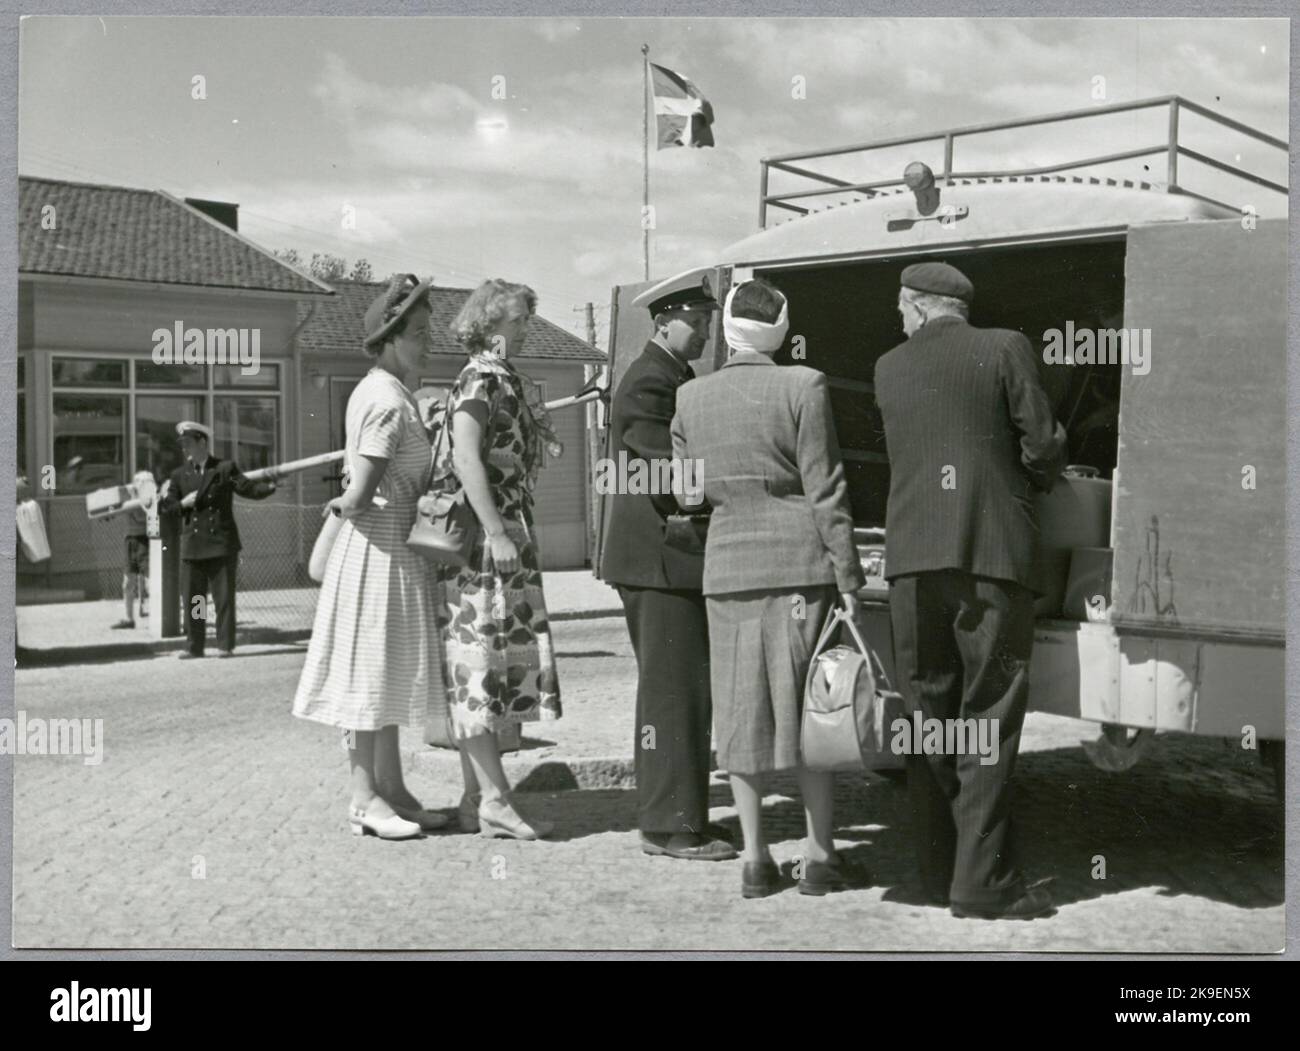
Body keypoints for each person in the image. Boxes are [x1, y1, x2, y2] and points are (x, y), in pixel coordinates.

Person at [874, 261, 1067, 920]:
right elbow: (1039, 442)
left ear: (918, 305)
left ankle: (939, 871)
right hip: (989, 556)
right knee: (987, 714)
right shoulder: (1005, 346)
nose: (899, 318)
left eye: (902, 307)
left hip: (912, 562)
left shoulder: (888, 367)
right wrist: (1049, 466)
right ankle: (982, 882)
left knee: (927, 714)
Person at [672, 277, 867, 898]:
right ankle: (818, 856)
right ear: (781, 330)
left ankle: (756, 860)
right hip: (800, 572)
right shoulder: (803, 385)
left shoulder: (690, 398)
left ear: (726, 326)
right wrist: (850, 572)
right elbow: (825, 487)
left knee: (740, 714)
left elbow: (687, 493)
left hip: (727, 573)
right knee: (813, 710)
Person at [293, 274, 448, 839]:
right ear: (388, 338)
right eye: (419, 333)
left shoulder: (390, 392)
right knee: (368, 677)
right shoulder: (384, 398)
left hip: (392, 553)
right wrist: (350, 502)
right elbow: (361, 490)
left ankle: (394, 791)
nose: (428, 342)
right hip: (376, 552)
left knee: (388, 676)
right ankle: (363, 799)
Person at [600, 274, 737, 863]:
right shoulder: (650, 384)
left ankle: (679, 818)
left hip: (667, 560)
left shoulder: (670, 377)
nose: (707, 332)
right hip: (659, 561)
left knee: (683, 690)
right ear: (664, 322)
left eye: (709, 321)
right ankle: (671, 827)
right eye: (697, 321)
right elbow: (667, 474)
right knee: (673, 694)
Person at [433, 278, 562, 840]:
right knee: (481, 668)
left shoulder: (499, 380)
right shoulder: (480, 379)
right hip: (486, 546)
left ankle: (475, 797)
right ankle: (494, 797)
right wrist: (496, 531)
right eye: (517, 322)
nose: (524, 330)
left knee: (482, 667)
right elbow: (466, 456)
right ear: (489, 325)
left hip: (502, 537)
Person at [159, 422, 276, 658]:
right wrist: (184, 503)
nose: (185, 449)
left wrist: (271, 486)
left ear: (202, 443)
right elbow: (167, 508)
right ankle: (195, 646)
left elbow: (247, 488)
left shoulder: (224, 469)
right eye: (183, 445)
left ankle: (225, 645)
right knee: (196, 600)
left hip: (221, 544)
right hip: (193, 547)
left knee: (223, 600)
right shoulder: (180, 475)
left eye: (189, 444)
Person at [112, 470, 154, 630]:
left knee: (150, 582)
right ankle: (129, 618)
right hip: (130, 539)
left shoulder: (149, 497)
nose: (138, 484)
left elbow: (139, 511)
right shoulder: (131, 494)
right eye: (137, 482)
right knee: (127, 582)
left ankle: (157, 616)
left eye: (141, 482)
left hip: (145, 540)